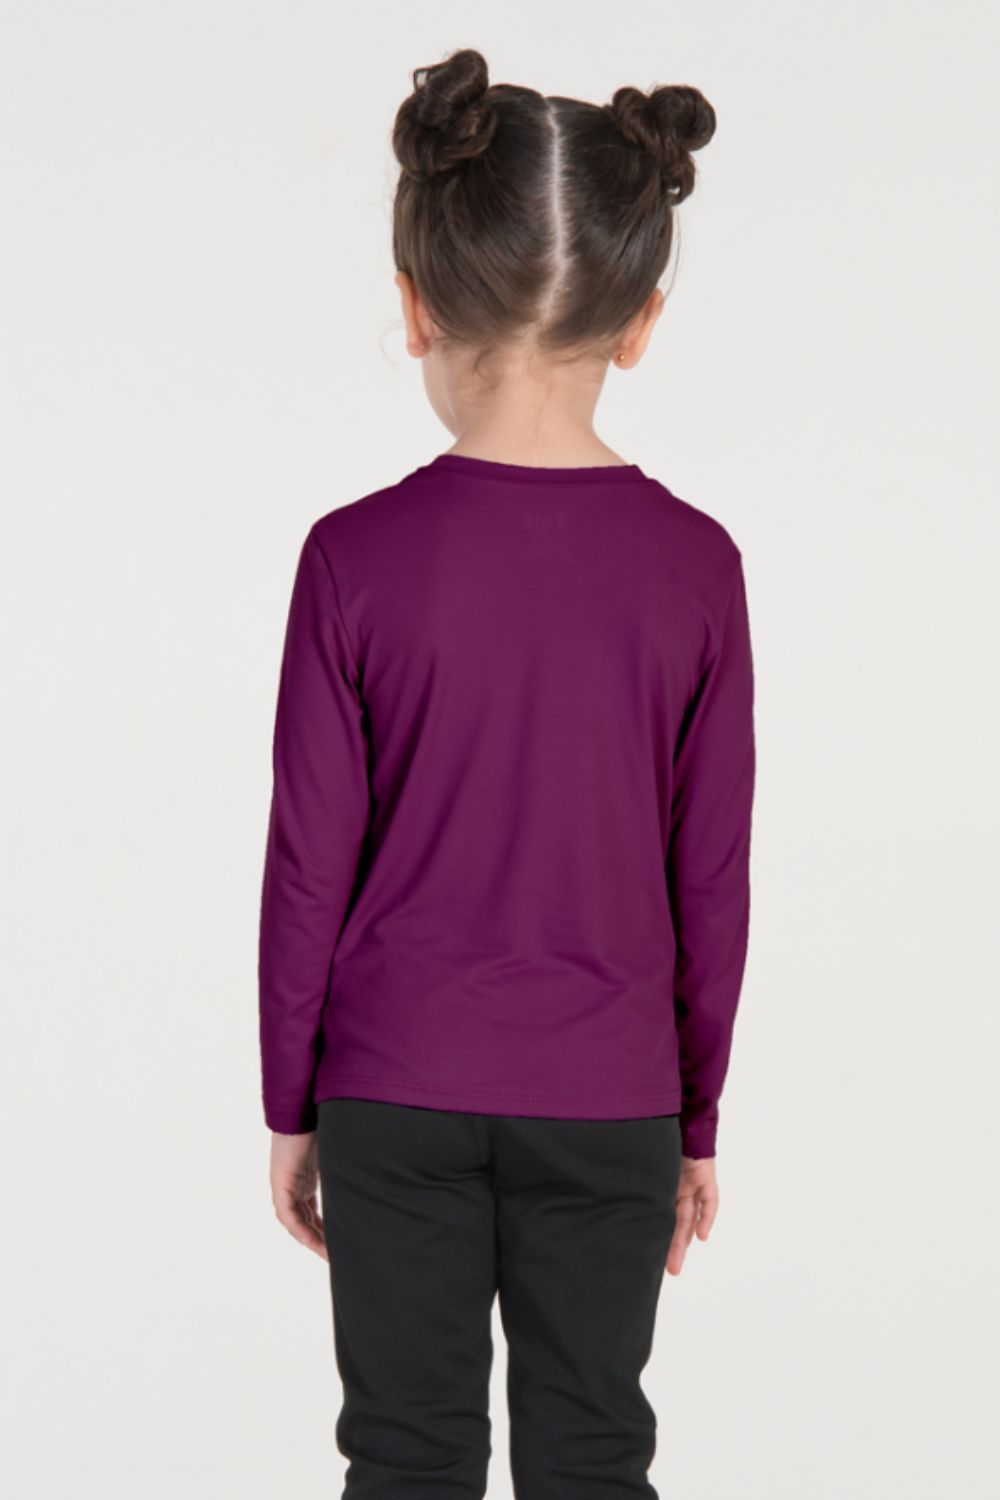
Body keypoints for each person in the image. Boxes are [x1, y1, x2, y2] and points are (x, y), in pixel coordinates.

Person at [258, 46, 756, 1500]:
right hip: (611, 1094)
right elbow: (710, 874)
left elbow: (308, 863)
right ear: (641, 322)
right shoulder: (698, 568)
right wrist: (694, 1114)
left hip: (393, 1086)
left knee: (405, 1458)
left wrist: (293, 1098)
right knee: (593, 1456)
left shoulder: (352, 558)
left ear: (416, 307)